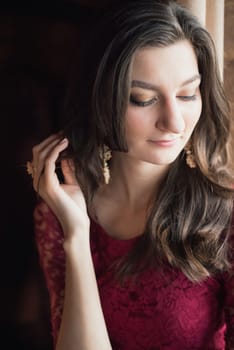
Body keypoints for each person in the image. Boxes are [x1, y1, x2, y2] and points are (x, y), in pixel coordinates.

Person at [27, 0, 234, 349]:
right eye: (143, 99)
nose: (175, 122)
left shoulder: (225, 214)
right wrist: (77, 236)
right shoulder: (59, 213)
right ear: (102, 100)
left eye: (188, 94)